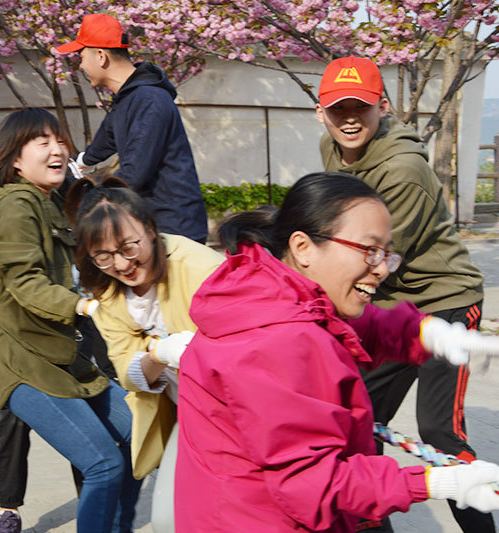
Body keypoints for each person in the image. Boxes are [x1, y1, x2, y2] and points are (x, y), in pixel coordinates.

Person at [174, 172, 499, 532]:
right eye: (369, 250)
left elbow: (359, 327)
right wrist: (433, 483)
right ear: (303, 247)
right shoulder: (277, 340)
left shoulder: (277, 293)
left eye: (386, 253)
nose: (380, 269)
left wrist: (432, 335)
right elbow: (314, 483)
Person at [315, 56, 492, 532]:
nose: (349, 119)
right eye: (337, 109)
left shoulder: (404, 169)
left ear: (384, 108)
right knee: (356, 425)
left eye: (361, 108)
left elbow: (376, 258)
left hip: (444, 301)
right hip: (387, 305)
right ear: (320, 112)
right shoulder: (332, 150)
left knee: (439, 432)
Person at [0, 107, 139, 533]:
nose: (57, 149)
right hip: (23, 362)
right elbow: (24, 284)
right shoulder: (14, 205)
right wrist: (85, 307)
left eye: (59, 140)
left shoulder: (47, 201)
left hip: (63, 355)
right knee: (103, 463)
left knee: (141, 437)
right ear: (14, 157)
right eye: (41, 142)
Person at [68, 177, 224, 532]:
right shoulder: (107, 293)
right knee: (169, 519)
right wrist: (160, 353)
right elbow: (126, 370)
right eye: (103, 255)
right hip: (191, 420)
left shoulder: (201, 268)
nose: (121, 265)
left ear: (150, 230)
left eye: (127, 247)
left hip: (242, 416)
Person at [56, 14, 208, 243]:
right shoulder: (129, 97)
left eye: (81, 56)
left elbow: (135, 172)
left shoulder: (149, 99)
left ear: (100, 56)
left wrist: (93, 200)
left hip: (175, 231)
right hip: (154, 225)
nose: (80, 65)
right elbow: (105, 140)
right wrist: (80, 163)